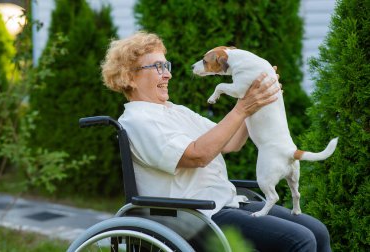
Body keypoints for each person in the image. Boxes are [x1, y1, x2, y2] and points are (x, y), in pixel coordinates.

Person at [101, 31, 331, 252]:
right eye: (157, 67)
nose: (168, 74)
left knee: (318, 231)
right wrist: (243, 107)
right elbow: (197, 155)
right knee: (300, 240)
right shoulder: (138, 121)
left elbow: (230, 142)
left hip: (224, 203)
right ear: (129, 77)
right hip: (193, 216)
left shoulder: (176, 111)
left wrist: (256, 96)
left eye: (166, 65)